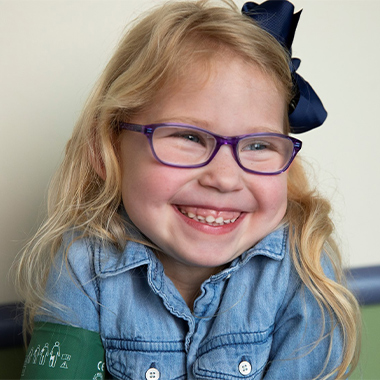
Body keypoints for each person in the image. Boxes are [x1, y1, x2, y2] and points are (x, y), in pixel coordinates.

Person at [16, 0, 361, 379]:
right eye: (189, 137)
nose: (225, 178)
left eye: (258, 145)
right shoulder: (83, 265)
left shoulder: (305, 267)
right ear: (107, 150)